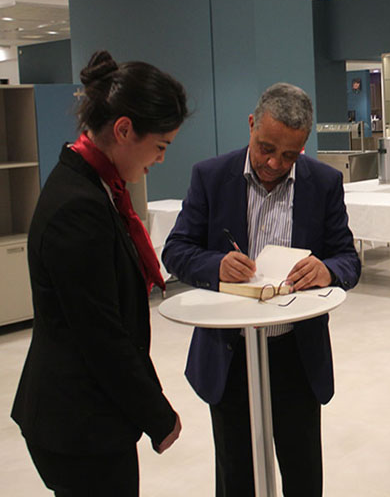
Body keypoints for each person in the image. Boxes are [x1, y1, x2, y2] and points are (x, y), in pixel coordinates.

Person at [162, 82, 360, 497]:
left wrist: (326, 270)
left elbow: (348, 259)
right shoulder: (211, 176)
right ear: (251, 124)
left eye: (289, 155)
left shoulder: (323, 183)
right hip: (230, 354)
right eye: (266, 148)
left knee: (303, 475)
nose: (274, 163)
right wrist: (215, 265)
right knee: (237, 476)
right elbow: (176, 250)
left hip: (296, 355)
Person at [11, 50, 187, 496]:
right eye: (160, 146)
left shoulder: (94, 185)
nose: (160, 160)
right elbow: (101, 336)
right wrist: (157, 414)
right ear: (124, 130)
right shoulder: (79, 207)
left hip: (90, 414)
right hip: (77, 422)